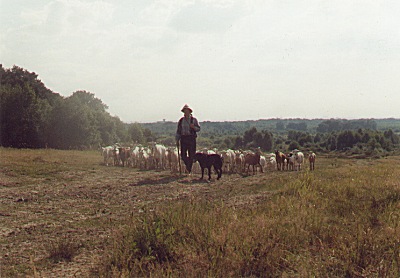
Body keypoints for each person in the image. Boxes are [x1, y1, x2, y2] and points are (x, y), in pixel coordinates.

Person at [176, 104, 201, 174]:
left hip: (191, 138)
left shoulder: (194, 120)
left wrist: (193, 127)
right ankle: (188, 166)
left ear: (190, 112)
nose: (186, 113)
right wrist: (177, 139)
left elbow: (198, 129)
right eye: (184, 111)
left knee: (192, 155)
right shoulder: (181, 120)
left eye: (187, 111)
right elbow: (178, 130)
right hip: (183, 138)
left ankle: (188, 169)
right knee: (183, 155)